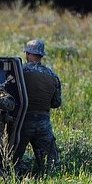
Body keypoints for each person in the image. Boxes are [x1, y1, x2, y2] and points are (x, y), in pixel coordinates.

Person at [16, 39, 62, 175]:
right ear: (41, 55)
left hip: (22, 122)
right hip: (43, 123)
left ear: (27, 53)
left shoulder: (19, 72)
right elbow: (56, 103)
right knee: (50, 163)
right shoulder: (52, 75)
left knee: (12, 160)